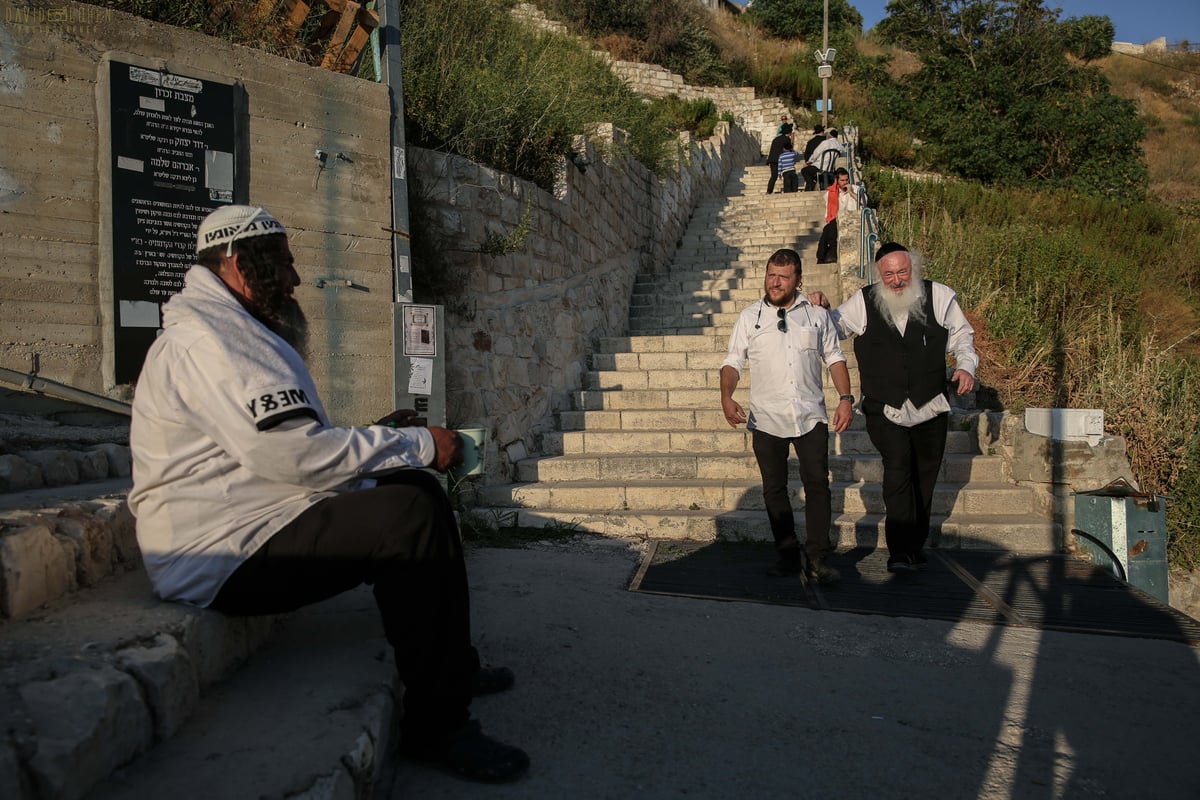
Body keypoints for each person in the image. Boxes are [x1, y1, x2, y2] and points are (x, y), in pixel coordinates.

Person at [127, 205, 529, 783]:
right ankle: (438, 725)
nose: (293, 278)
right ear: (239, 264)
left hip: (259, 516)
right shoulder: (212, 342)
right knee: (409, 514)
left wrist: (388, 439)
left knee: (413, 490)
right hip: (220, 552)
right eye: (283, 264)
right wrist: (416, 442)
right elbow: (297, 457)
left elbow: (285, 446)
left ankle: (453, 673)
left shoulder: (232, 329)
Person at [811, 242, 978, 573]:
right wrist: (818, 307)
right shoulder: (865, 300)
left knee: (925, 476)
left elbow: (962, 337)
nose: (897, 280)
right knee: (898, 468)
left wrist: (965, 367)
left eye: (902, 272)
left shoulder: (940, 296)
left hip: (930, 404)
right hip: (884, 407)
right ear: (879, 274)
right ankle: (899, 551)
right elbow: (832, 327)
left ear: (913, 269)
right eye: (889, 274)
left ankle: (914, 546)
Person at [719, 248, 853, 584]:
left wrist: (846, 398)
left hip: (810, 415)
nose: (775, 282)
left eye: (783, 277)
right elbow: (733, 361)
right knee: (773, 489)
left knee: (818, 485)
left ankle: (818, 557)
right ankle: (787, 554)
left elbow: (835, 358)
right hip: (766, 417)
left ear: (798, 280)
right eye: (770, 275)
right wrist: (726, 395)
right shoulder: (750, 317)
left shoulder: (817, 315)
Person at [816, 168, 852, 264]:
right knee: (827, 231)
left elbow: (863, 202)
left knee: (830, 231)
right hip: (835, 219)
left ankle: (823, 258)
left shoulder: (855, 189)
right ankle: (822, 258)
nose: (845, 182)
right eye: (842, 180)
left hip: (849, 219)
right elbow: (829, 211)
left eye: (846, 180)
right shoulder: (831, 193)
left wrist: (851, 193)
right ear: (837, 181)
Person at [765, 129, 793, 194]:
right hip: (782, 159)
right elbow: (789, 149)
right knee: (786, 174)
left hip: (772, 160)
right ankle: (788, 189)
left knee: (773, 176)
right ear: (789, 133)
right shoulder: (787, 139)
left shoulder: (776, 139)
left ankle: (769, 190)